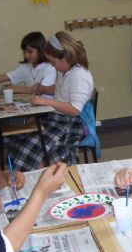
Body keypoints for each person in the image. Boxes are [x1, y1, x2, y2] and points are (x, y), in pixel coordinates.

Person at [9, 31, 95, 170]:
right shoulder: (66, 71)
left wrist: (47, 102)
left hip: (70, 125)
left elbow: (74, 109)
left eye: (53, 62)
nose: (52, 66)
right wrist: (44, 89)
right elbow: (60, 90)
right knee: (19, 141)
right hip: (57, 120)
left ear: (65, 58)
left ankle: (43, 173)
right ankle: (39, 172)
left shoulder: (80, 75)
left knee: (29, 148)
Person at [0, 32, 56, 98]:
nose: (26, 56)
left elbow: (38, 90)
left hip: (47, 109)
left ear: (40, 50)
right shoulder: (26, 66)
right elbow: (4, 77)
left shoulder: (50, 67)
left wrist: (13, 88)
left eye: (30, 52)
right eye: (24, 52)